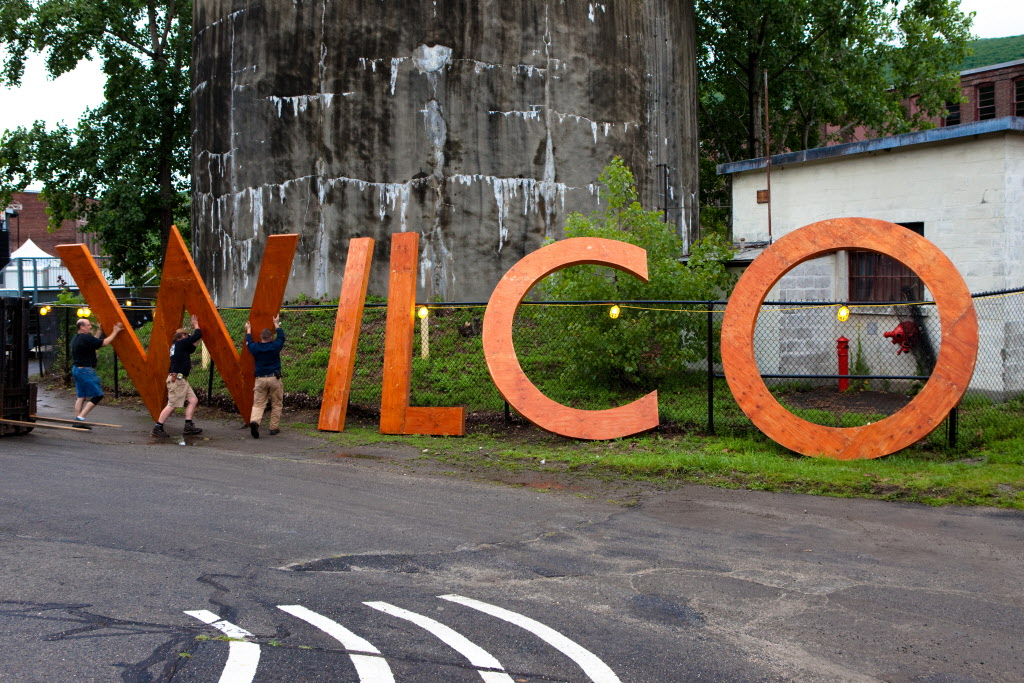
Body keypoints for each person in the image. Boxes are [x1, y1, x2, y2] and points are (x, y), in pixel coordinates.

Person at [152, 315, 204, 437]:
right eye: (186, 335)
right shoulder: (180, 343)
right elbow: (195, 337)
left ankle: (188, 425)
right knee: (172, 404)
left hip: (181, 380)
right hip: (177, 380)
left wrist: (200, 334)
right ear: (181, 337)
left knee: (193, 400)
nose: (188, 337)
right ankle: (158, 427)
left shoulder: (178, 347)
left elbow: (193, 346)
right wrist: (195, 324)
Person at [71, 318, 124, 427]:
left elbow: (93, 341)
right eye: (88, 325)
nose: (90, 326)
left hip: (77, 369)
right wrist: (116, 331)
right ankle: (80, 418)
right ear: (82, 327)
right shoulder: (86, 338)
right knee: (98, 395)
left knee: (81, 396)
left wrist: (99, 331)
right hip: (86, 371)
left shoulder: (77, 338)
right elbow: (104, 343)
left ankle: (77, 421)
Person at [245, 314, 285, 438]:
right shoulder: (275, 346)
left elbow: (249, 342)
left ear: (261, 337)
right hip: (274, 378)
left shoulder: (255, 348)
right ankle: (273, 428)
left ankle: (255, 421)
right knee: (277, 403)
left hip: (260, 379)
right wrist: (276, 323)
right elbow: (282, 337)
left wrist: (248, 329)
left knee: (258, 404)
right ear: (271, 337)